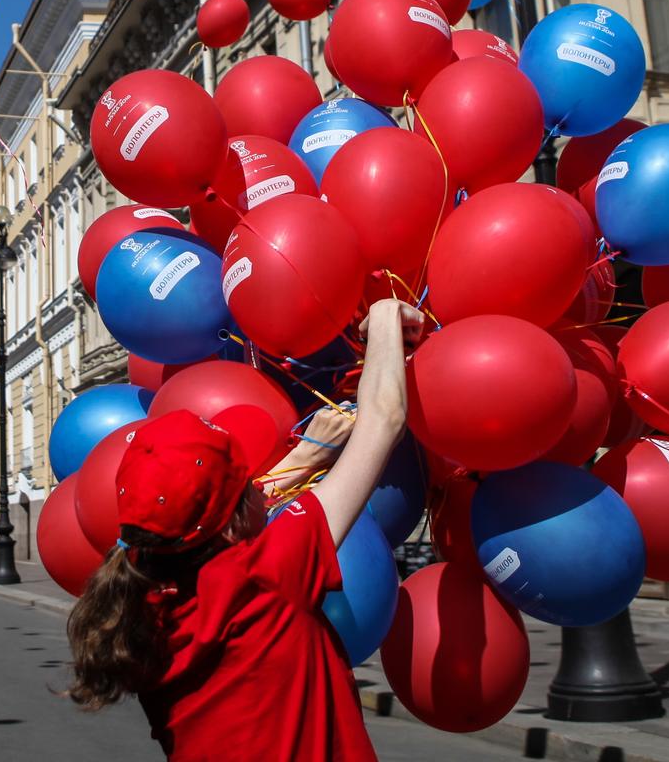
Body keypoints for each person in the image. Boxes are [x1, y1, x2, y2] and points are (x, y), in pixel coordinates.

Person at [66, 299, 422, 761]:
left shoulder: (137, 602)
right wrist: (383, 320)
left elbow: (200, 516)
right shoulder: (268, 574)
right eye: (244, 481)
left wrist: (302, 461)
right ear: (231, 525)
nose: (257, 485)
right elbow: (384, 419)